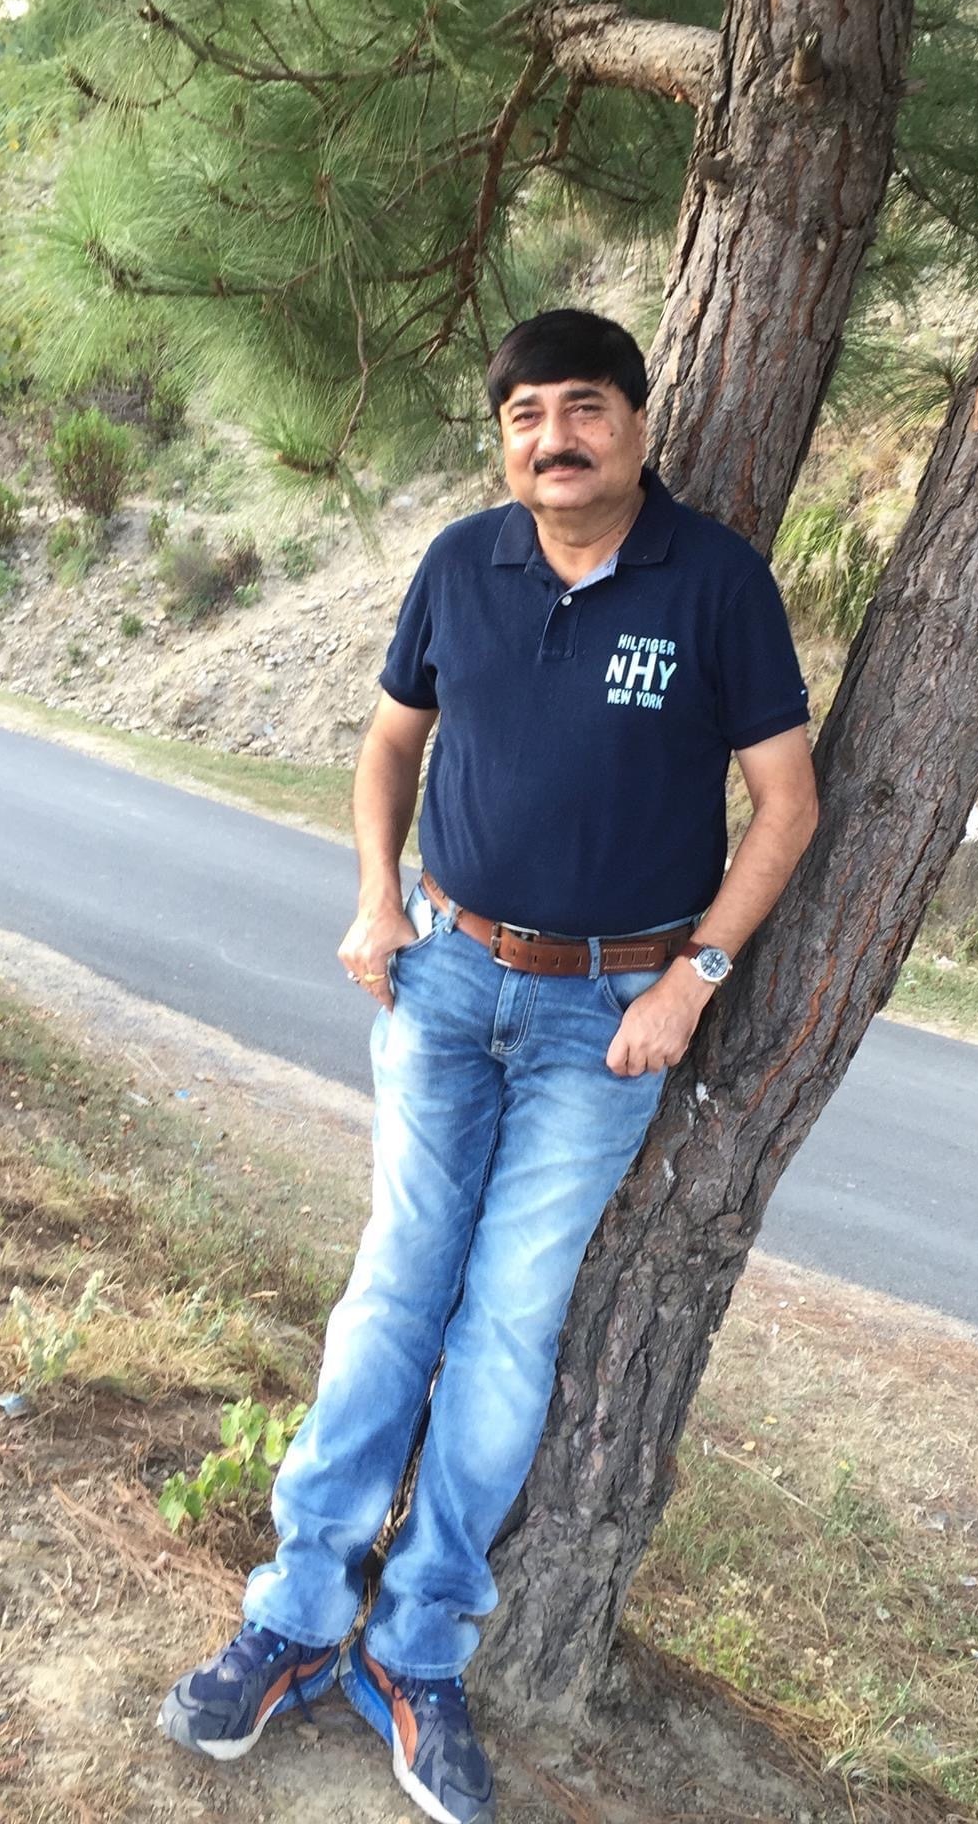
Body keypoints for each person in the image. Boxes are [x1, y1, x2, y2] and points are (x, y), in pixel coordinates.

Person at [159, 309, 819, 1823]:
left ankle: (418, 1653)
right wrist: (376, 898)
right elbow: (391, 744)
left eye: (582, 408)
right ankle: (295, 1614)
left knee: (511, 1324)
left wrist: (696, 978)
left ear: (637, 425)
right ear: (503, 439)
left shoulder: (717, 584)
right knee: (395, 1290)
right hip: (446, 979)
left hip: (610, 1017)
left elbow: (786, 803)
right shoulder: (463, 562)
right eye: (525, 416)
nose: (553, 439)